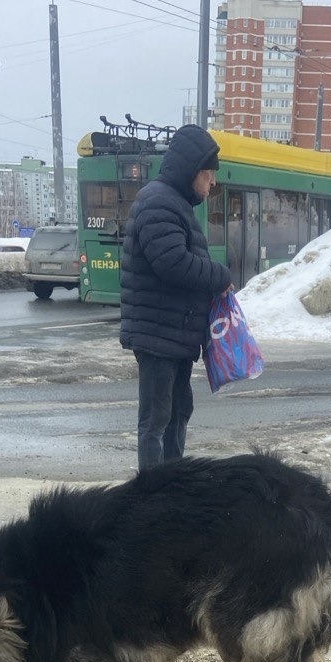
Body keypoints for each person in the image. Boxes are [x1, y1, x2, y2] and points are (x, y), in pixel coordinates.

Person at [119, 124, 233, 470]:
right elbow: (173, 263)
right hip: (158, 336)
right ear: (192, 170)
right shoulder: (159, 202)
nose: (212, 183)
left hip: (172, 334)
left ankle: (172, 486)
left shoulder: (175, 203)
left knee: (178, 413)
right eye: (209, 175)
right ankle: (153, 496)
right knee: (156, 420)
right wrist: (220, 277)